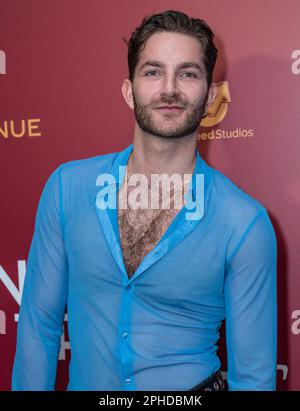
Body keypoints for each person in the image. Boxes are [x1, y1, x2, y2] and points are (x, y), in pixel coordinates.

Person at [12, 10, 277, 391]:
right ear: (128, 90)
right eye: (153, 72)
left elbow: (253, 378)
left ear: (211, 96)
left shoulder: (244, 223)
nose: (169, 88)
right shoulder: (68, 188)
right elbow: (39, 323)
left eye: (187, 74)